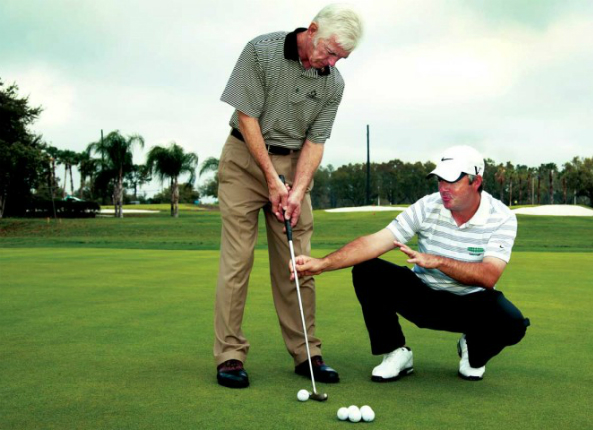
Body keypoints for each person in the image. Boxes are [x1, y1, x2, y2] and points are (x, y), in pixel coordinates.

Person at [214, 4, 363, 389]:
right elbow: (246, 117)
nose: (331, 63)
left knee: (298, 264)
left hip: (295, 164)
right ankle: (230, 354)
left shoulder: (333, 82)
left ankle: (307, 353)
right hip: (246, 160)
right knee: (238, 260)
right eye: (329, 52)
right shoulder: (260, 52)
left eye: (340, 58)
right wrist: (270, 178)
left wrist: (296, 191)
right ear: (311, 30)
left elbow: (316, 141)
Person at [292, 145, 530, 382]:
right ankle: (397, 352)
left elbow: (489, 276)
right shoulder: (428, 206)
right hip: (424, 299)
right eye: (440, 180)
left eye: (451, 181)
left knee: (513, 323)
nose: (443, 188)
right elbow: (376, 242)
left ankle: (473, 349)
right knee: (368, 270)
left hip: (471, 305)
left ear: (475, 181)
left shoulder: (501, 216)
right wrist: (322, 264)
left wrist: (438, 261)